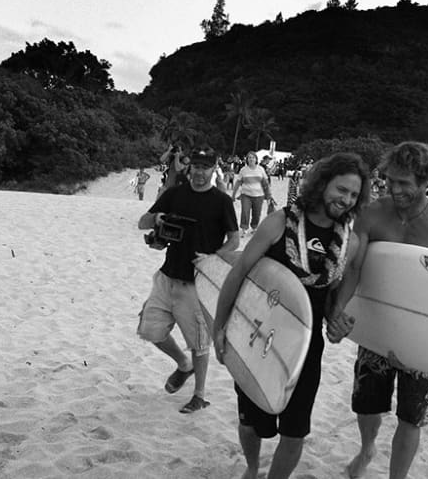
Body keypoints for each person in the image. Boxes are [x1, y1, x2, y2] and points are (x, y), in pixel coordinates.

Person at [212, 153, 370, 479]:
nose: (346, 200)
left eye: (354, 195)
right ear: (323, 183)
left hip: (305, 349)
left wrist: (336, 320)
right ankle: (253, 467)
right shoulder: (280, 222)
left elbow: (326, 298)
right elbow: (239, 272)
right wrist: (220, 325)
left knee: (295, 431)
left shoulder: (348, 243)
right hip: (257, 336)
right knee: (252, 423)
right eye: (341, 190)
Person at [329, 142, 428, 479]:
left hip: (421, 336)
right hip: (377, 325)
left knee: (411, 414)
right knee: (366, 405)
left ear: (426, 182)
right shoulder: (373, 214)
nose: (396, 189)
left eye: (405, 183)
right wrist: (336, 311)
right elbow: (355, 269)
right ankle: (367, 448)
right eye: (391, 181)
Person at [137, 146, 239, 413]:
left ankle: (199, 395)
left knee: (199, 343)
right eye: (195, 166)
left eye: (205, 167)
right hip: (167, 276)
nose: (199, 172)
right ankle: (184, 365)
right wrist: (158, 219)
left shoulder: (221, 201)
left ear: (214, 168)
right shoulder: (175, 193)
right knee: (149, 331)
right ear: (189, 167)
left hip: (197, 283)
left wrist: (213, 257)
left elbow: (235, 240)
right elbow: (142, 222)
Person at [236, 151, 274, 236]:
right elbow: (238, 182)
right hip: (245, 195)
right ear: (247, 159)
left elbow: (266, 183)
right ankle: (244, 228)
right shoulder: (243, 170)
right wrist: (234, 193)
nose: (251, 159)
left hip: (259, 195)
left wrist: (268, 195)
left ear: (256, 159)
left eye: (253, 157)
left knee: (256, 213)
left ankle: (254, 227)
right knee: (245, 212)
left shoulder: (260, 169)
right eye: (249, 157)